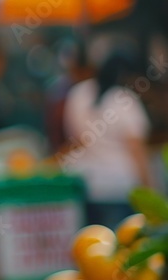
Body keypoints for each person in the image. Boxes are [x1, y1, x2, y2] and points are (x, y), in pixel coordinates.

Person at [62, 50, 154, 226]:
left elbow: (76, 140)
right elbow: (137, 151)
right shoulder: (126, 101)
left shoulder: (78, 94)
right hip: (120, 190)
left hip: (87, 186)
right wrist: (149, 192)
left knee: (92, 244)